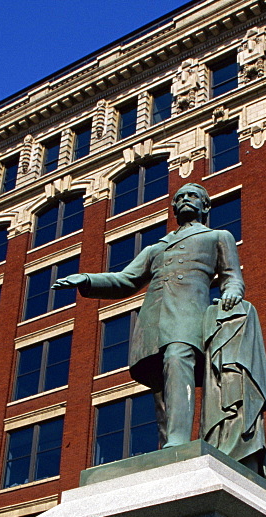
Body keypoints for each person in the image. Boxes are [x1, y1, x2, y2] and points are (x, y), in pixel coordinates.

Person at [52, 183, 244, 448]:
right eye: (180, 197)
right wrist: (86, 279)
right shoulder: (156, 249)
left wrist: (232, 293)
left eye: (193, 196)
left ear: (205, 206)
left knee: (178, 359)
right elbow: (125, 280)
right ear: (174, 207)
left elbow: (232, 277)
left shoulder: (217, 237)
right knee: (160, 386)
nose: (186, 200)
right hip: (153, 322)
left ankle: (178, 440)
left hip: (188, 317)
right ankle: (168, 448)